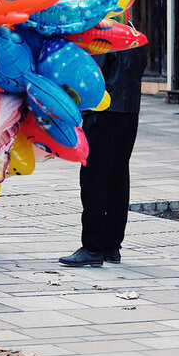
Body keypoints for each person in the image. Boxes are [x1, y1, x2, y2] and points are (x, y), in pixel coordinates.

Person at [60, 46, 148, 267]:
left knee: (94, 179)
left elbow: (91, 76)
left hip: (103, 112)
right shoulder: (134, 35)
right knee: (118, 179)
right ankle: (111, 245)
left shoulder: (104, 38)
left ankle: (92, 247)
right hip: (128, 112)